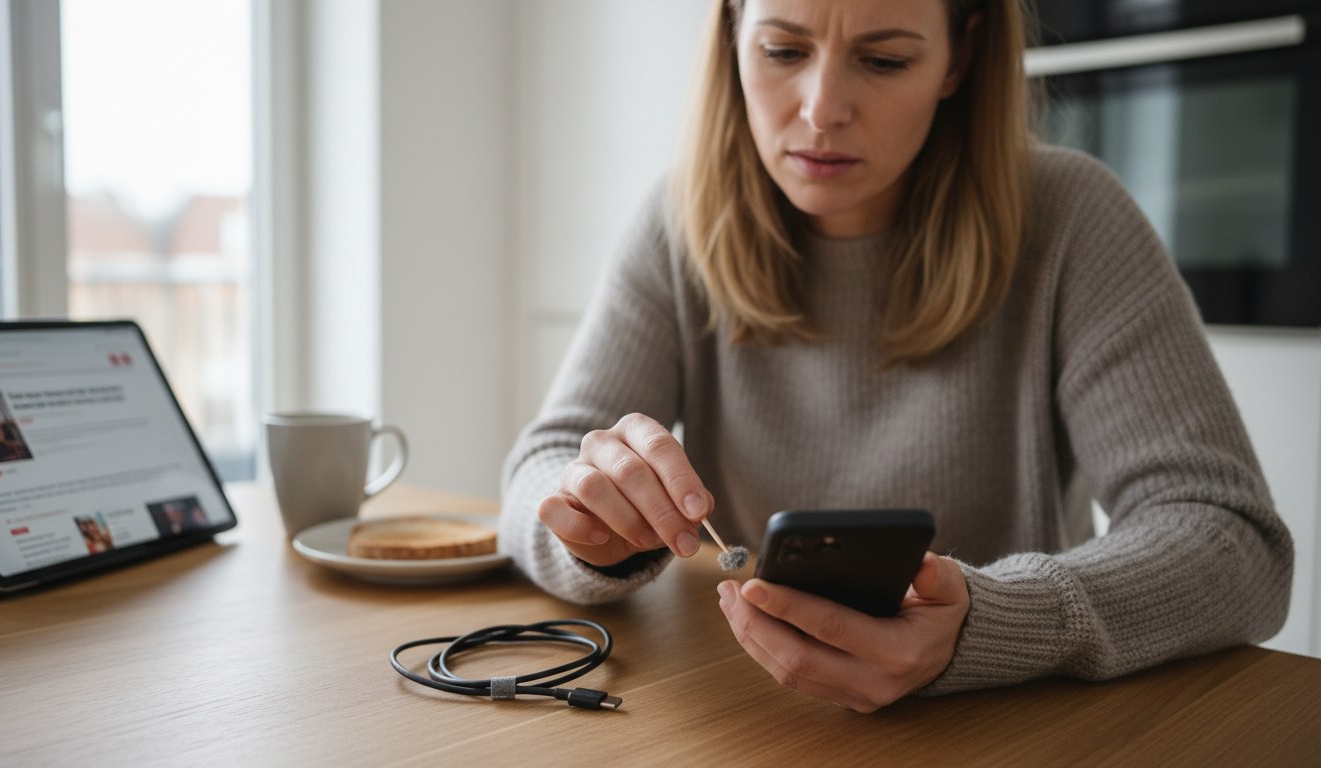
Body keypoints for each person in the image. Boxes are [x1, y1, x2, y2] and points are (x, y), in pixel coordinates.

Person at [498, 0, 1293, 713]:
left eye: (883, 60)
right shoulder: (679, 222)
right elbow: (543, 464)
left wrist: (990, 623)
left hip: (1017, 729)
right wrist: (589, 529)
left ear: (960, 58)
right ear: (734, 35)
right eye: (782, 50)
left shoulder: (1072, 219)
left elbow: (1234, 541)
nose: (822, 109)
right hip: (756, 721)